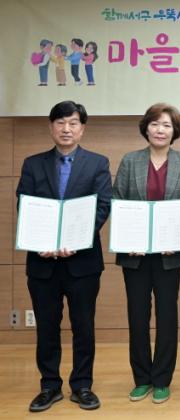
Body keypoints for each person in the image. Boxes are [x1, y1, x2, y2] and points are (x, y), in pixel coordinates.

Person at [17, 100, 112, 412]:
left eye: (73, 123)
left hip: (82, 262)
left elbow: (102, 206)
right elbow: (25, 205)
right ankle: (49, 386)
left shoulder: (98, 163)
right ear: (51, 127)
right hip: (42, 262)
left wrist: (77, 240)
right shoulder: (32, 164)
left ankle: (82, 385)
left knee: (83, 326)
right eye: (60, 123)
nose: (66, 129)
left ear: (82, 128)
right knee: (47, 326)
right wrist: (39, 241)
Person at [113, 103, 180, 404]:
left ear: (174, 131)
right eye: (155, 124)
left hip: (169, 255)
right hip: (134, 255)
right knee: (137, 316)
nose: (160, 130)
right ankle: (141, 378)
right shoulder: (130, 160)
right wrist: (127, 240)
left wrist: (178, 240)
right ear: (146, 128)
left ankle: (162, 379)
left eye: (167, 125)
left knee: (167, 316)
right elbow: (118, 202)